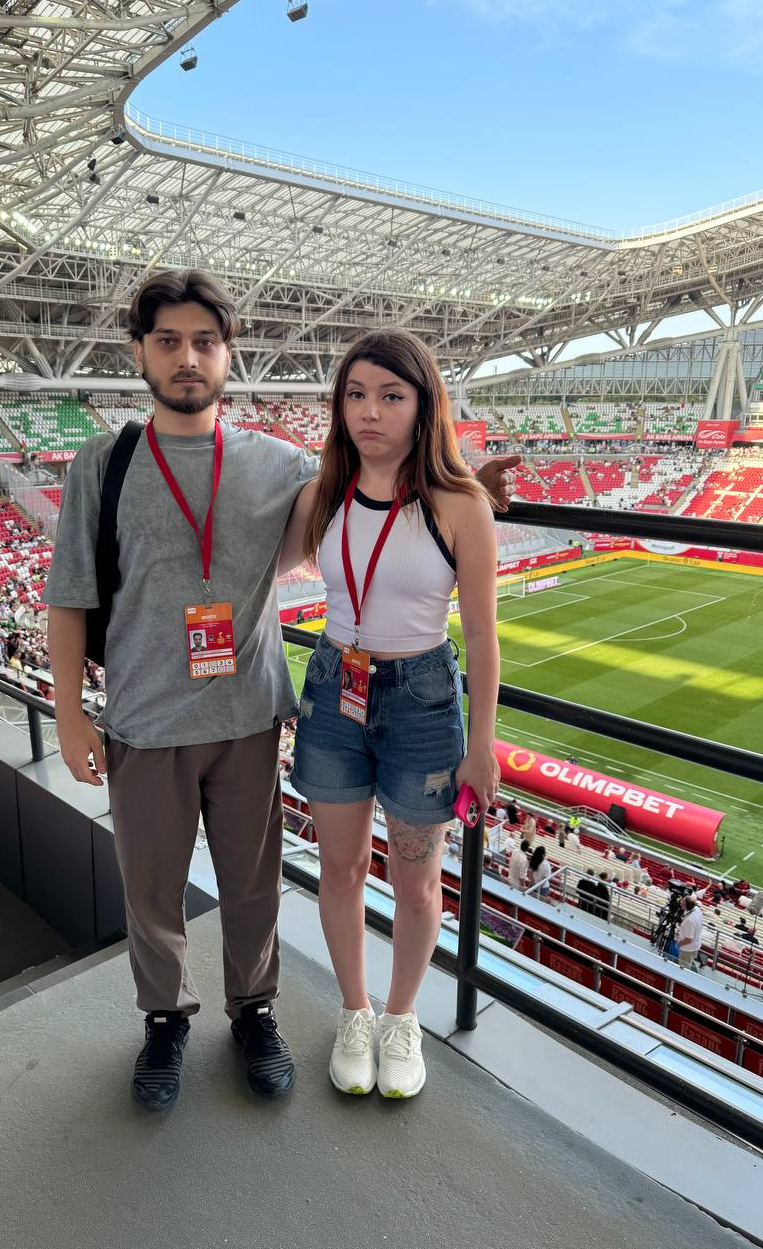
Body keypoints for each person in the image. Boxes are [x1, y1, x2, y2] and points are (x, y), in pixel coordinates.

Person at [46, 270, 518, 1112]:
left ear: (228, 355)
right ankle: (165, 1019)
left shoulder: (282, 464)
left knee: (255, 883)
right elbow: (69, 596)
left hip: (251, 713)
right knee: (150, 891)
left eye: (204, 342)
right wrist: (70, 713)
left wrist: (468, 490)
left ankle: (255, 1011)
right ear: (139, 352)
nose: (187, 358)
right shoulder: (102, 463)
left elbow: (385, 487)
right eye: (167, 341)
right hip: (144, 717)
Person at [283, 326, 503, 1099]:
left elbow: (483, 635)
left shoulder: (461, 505)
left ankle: (402, 1017)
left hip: (423, 700)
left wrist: (483, 743)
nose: (369, 412)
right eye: (355, 394)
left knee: (416, 881)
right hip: (333, 687)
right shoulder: (322, 495)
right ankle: (355, 1010)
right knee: (340, 868)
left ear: (423, 405)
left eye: (390, 395)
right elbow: (258, 562)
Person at [677, 895, 703, 970]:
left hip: (687, 948)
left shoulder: (689, 920)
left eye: (682, 904)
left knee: (684, 967)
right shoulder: (697, 909)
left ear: (686, 906)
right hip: (696, 943)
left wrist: (679, 943)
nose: (680, 904)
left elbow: (689, 939)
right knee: (690, 962)